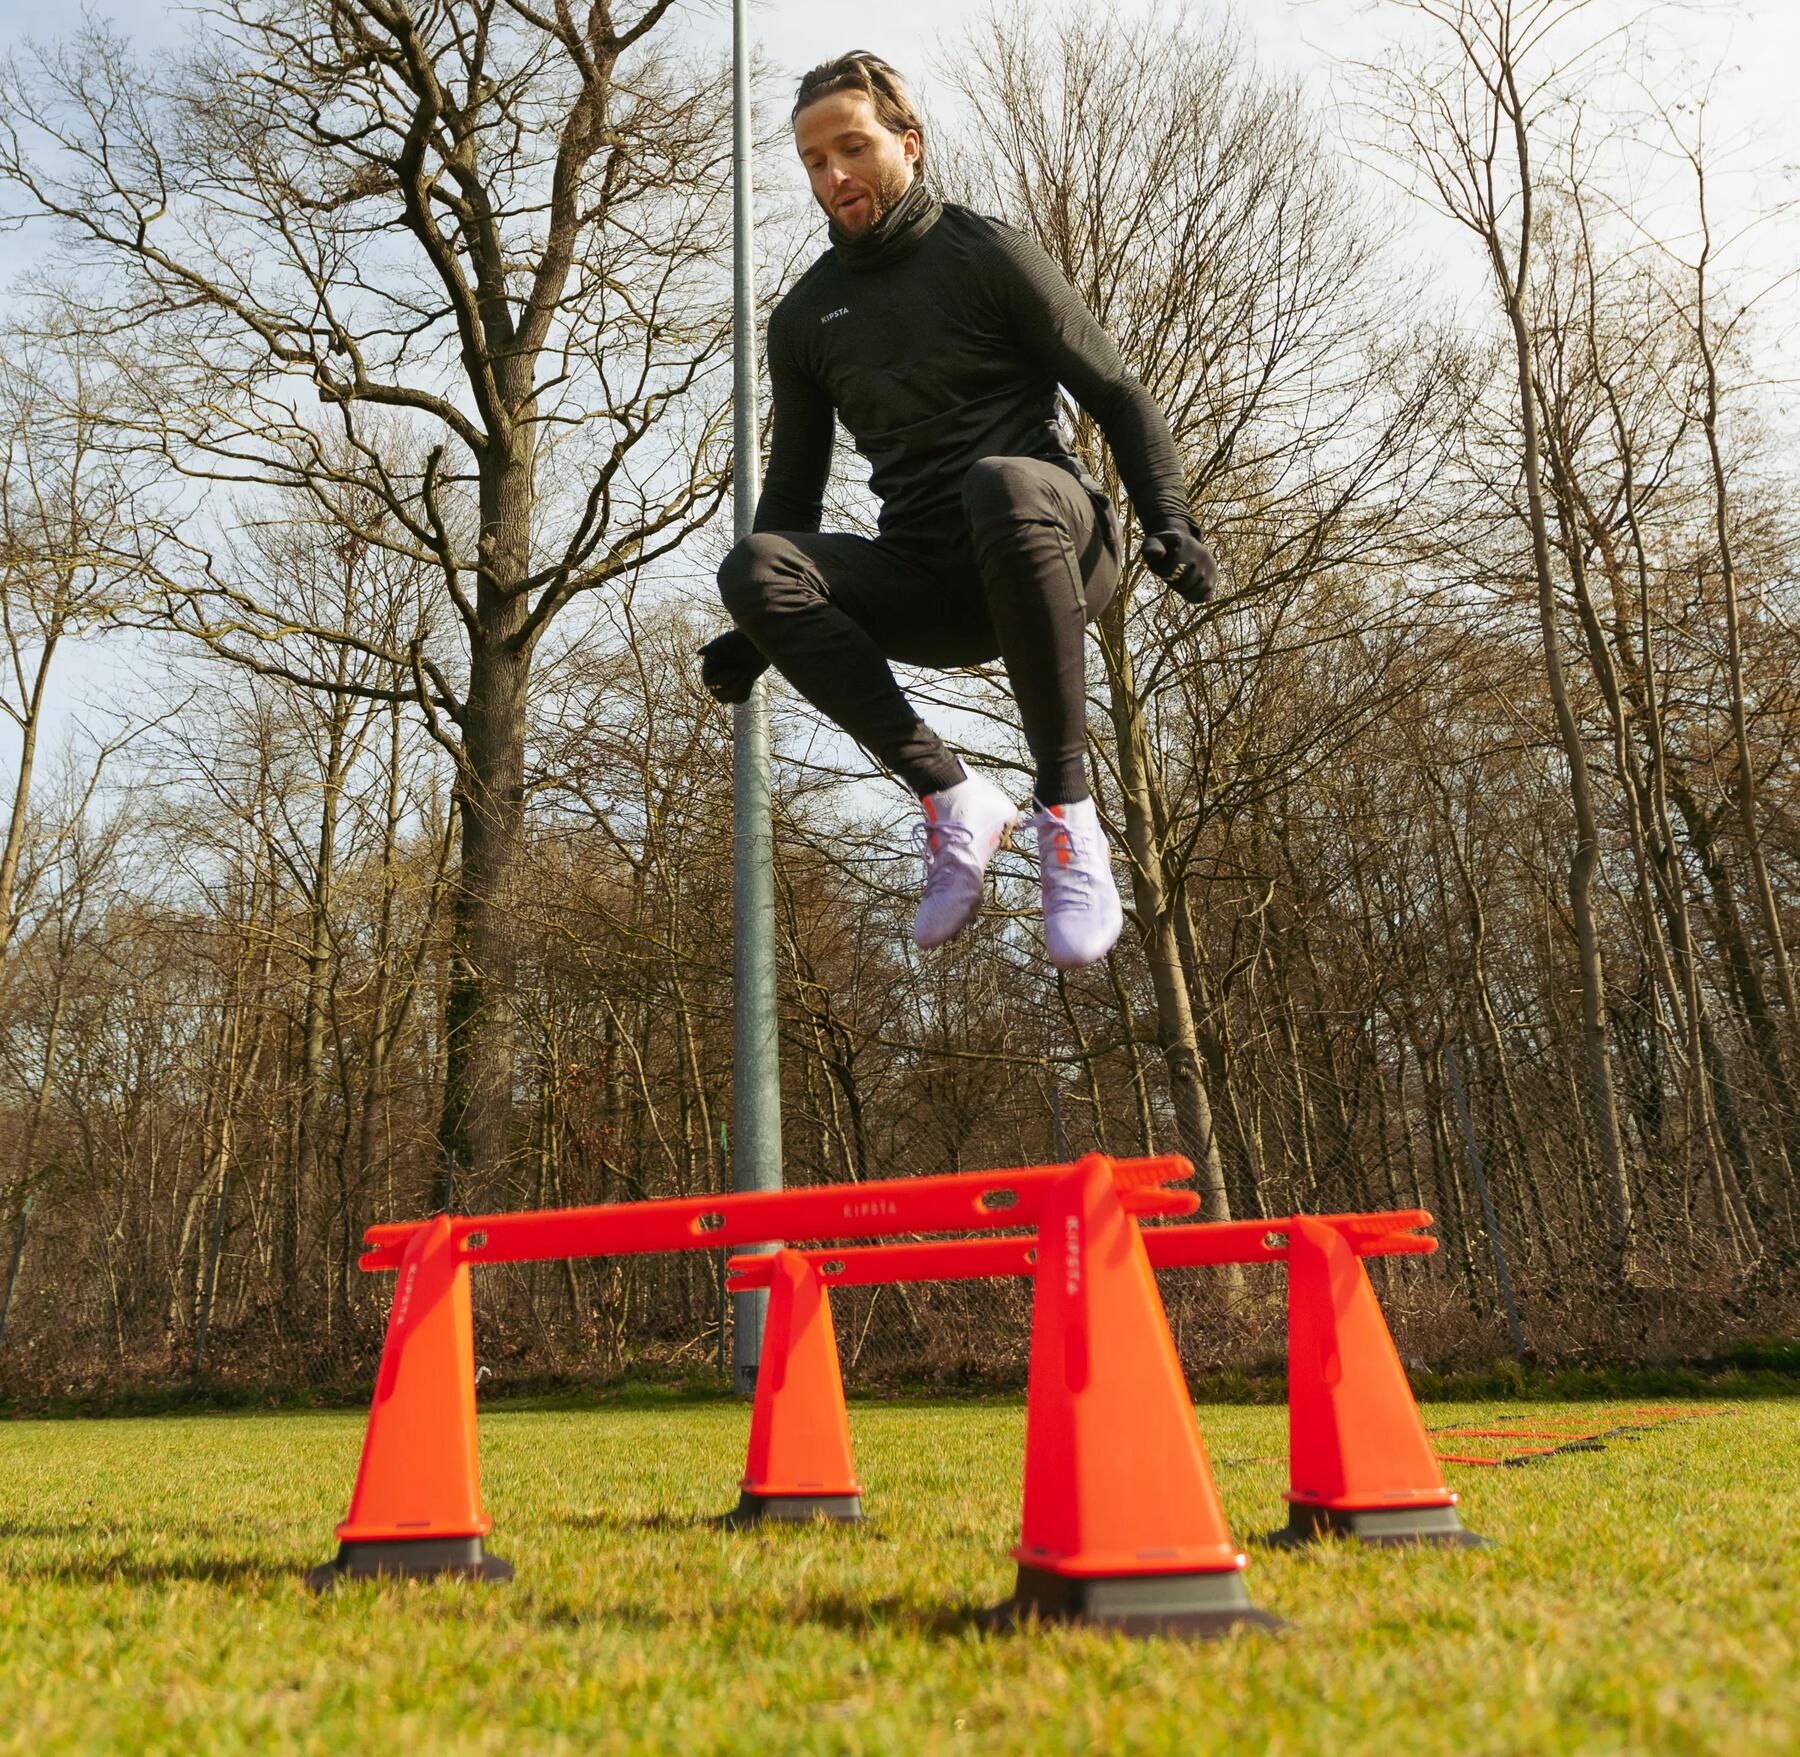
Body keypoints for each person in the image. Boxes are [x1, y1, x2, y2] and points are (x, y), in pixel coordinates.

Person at [703, 51, 1215, 969]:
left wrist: (1168, 518)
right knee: (753, 563)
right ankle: (952, 799)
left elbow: (1121, 393)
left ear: (909, 144)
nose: (834, 178)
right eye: (814, 162)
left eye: (852, 150)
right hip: (934, 584)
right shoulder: (806, 320)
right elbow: (791, 497)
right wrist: (760, 625)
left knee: (999, 480)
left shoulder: (987, 254)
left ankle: (1069, 817)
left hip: (1054, 543)